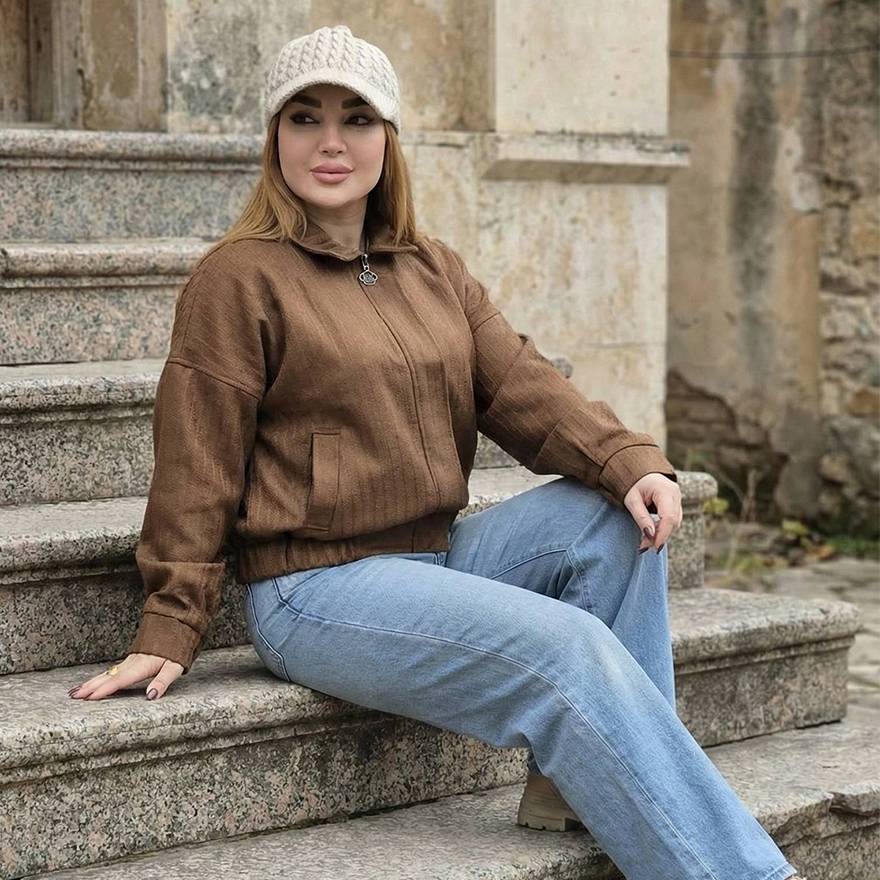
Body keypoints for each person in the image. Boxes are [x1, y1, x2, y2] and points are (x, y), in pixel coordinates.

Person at [67, 24, 804, 880]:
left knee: (614, 517)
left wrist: (629, 459)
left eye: (357, 118)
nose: (331, 142)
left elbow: (522, 384)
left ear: (388, 137)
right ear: (275, 137)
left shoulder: (428, 267)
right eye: (305, 118)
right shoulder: (237, 278)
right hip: (314, 589)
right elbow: (197, 461)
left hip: (436, 557)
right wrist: (171, 621)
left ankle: (582, 788)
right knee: (565, 648)